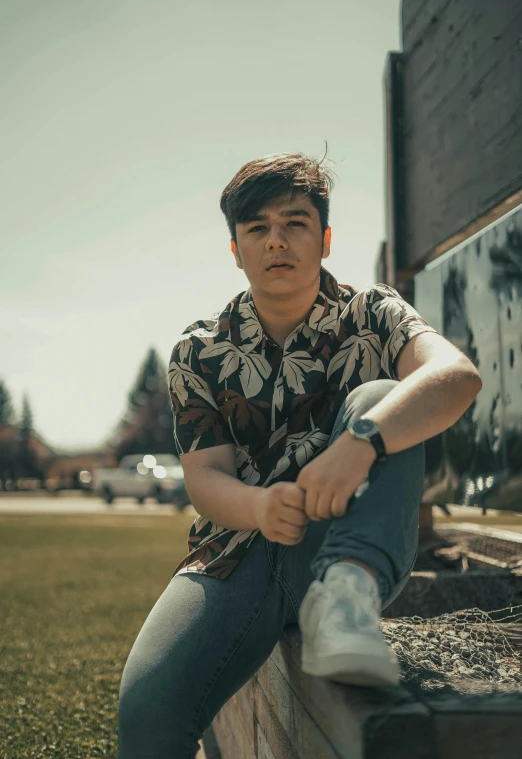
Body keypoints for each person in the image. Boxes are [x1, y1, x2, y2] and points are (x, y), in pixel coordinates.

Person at [118, 152, 482, 758]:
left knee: (384, 397)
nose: (277, 241)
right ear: (235, 249)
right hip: (238, 551)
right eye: (257, 228)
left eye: (295, 223)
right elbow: (205, 478)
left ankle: (345, 602)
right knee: (147, 710)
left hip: (344, 543)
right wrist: (260, 508)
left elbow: (457, 375)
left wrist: (360, 443)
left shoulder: (372, 313)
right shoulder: (199, 350)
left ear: (326, 239)